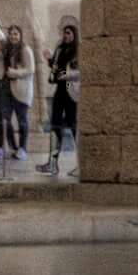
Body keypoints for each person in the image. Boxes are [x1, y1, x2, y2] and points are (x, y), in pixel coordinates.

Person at [0, 20, 31, 161]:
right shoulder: (7, 48)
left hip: (21, 89)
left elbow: (31, 70)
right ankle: (14, 147)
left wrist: (14, 72)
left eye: (16, 34)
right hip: (6, 88)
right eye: (11, 34)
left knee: (22, 120)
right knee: (5, 120)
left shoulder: (25, 49)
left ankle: (23, 148)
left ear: (20, 35)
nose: (13, 36)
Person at [46, 18, 78, 172]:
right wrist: (49, 60)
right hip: (60, 89)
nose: (66, 36)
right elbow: (57, 67)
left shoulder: (79, 50)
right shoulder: (60, 48)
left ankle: (81, 164)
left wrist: (67, 75)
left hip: (70, 89)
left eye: (69, 33)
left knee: (73, 125)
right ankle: (52, 163)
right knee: (55, 124)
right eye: (64, 33)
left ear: (74, 34)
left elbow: (81, 71)